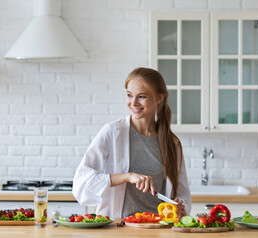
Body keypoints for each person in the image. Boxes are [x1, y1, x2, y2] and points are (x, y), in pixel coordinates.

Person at [72, 67, 191, 218]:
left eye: (141, 97)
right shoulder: (112, 132)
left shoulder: (172, 143)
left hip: (158, 229)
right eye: (129, 95)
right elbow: (82, 182)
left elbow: (182, 193)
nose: (133, 103)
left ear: (159, 97)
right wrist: (128, 177)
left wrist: (180, 206)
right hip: (119, 228)